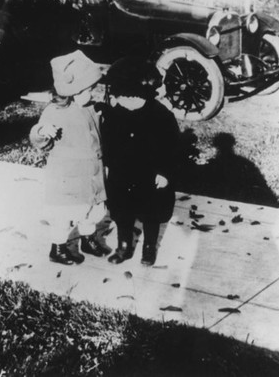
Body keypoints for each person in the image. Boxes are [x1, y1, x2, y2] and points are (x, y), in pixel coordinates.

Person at [30, 50, 109, 265]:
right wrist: (42, 132)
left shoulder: (91, 108)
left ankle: (87, 239)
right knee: (64, 215)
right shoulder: (55, 112)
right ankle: (58, 247)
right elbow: (38, 137)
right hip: (67, 177)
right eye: (88, 90)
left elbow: (98, 134)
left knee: (91, 210)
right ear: (72, 90)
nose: (92, 94)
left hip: (91, 173)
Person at [101, 57, 180, 266]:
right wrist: (107, 165)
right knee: (122, 212)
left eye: (131, 98)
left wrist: (165, 172)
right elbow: (107, 142)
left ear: (144, 94)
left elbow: (171, 148)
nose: (126, 102)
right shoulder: (114, 114)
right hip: (122, 174)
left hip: (150, 176)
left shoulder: (161, 116)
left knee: (151, 213)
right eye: (122, 98)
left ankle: (149, 246)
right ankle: (124, 245)